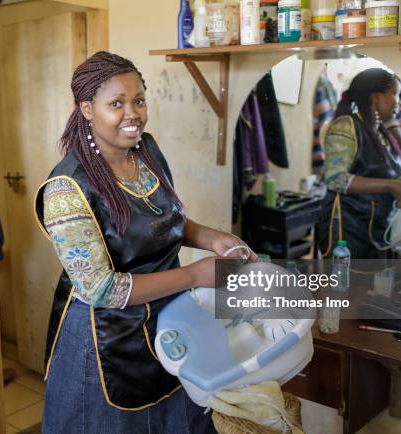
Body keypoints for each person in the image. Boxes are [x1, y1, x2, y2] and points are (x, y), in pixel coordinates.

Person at [34, 52, 254, 434]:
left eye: (138, 100)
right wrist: (195, 276)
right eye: (116, 103)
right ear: (86, 109)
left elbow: (164, 221)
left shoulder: (146, 150)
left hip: (166, 322)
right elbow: (102, 289)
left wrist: (213, 238)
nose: (132, 113)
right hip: (105, 344)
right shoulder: (67, 189)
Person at [316, 68, 401, 260]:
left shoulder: (380, 131)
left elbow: (386, 177)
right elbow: (335, 179)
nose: (399, 102)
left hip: (377, 229)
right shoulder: (346, 126)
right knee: (349, 288)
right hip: (348, 232)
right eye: (395, 95)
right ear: (376, 97)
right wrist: (390, 185)